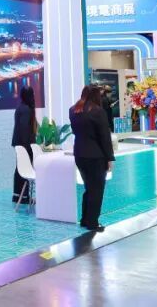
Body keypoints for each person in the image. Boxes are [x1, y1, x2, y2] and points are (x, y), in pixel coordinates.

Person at [69, 84, 116, 232]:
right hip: (96, 156)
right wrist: (110, 158)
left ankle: (85, 219)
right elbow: (104, 137)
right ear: (96, 96)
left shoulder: (73, 110)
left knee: (89, 188)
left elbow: (75, 131)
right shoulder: (98, 111)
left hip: (79, 154)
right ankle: (92, 223)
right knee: (96, 190)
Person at [11, 86, 37, 204]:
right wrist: (28, 147)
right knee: (25, 170)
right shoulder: (27, 110)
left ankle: (18, 196)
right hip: (24, 144)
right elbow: (24, 129)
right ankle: (24, 197)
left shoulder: (20, 108)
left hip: (19, 143)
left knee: (20, 169)